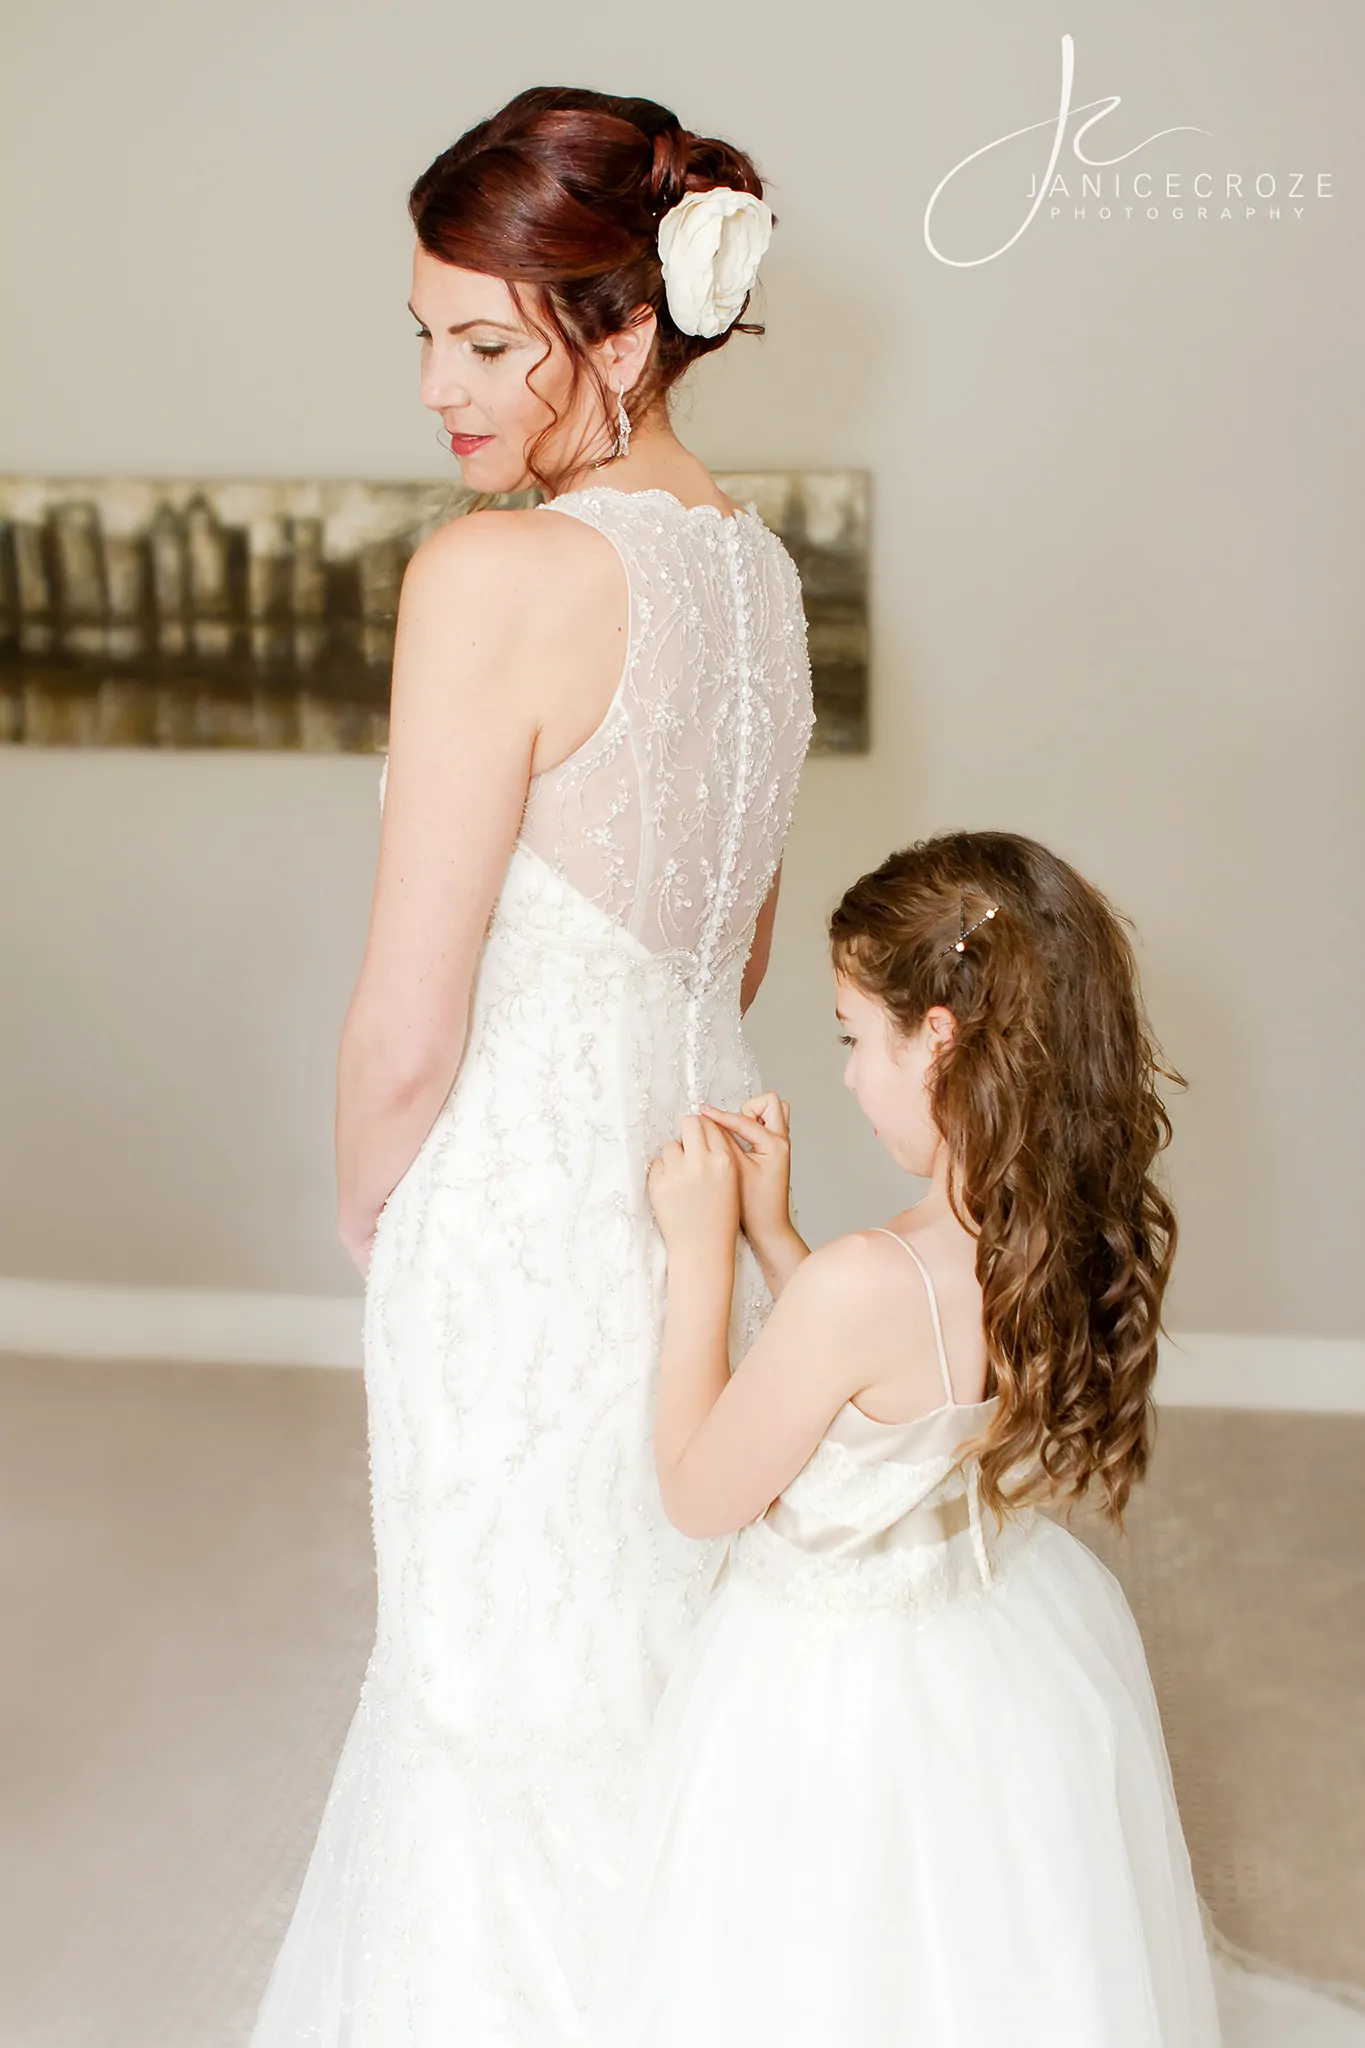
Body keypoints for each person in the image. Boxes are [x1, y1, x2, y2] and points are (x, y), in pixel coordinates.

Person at [247, 88, 814, 2045]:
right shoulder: (748, 569)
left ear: (626, 328)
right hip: (694, 1178)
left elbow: (411, 1020)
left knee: (497, 1692)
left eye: (483, 341)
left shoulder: (490, 580)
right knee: (662, 1653)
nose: (436, 386)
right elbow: (728, 939)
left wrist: (370, 1212)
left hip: (513, 1218)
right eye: (421, 336)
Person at [592, 829, 1365, 2046]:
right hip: (986, 1638)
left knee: (831, 1954)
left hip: (834, 1685)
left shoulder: (868, 1280)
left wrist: (701, 1255)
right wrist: (778, 1236)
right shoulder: (1038, 1234)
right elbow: (887, 1406)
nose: (845, 1075)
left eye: (855, 1036)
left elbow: (698, 1488)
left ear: (937, 1037)